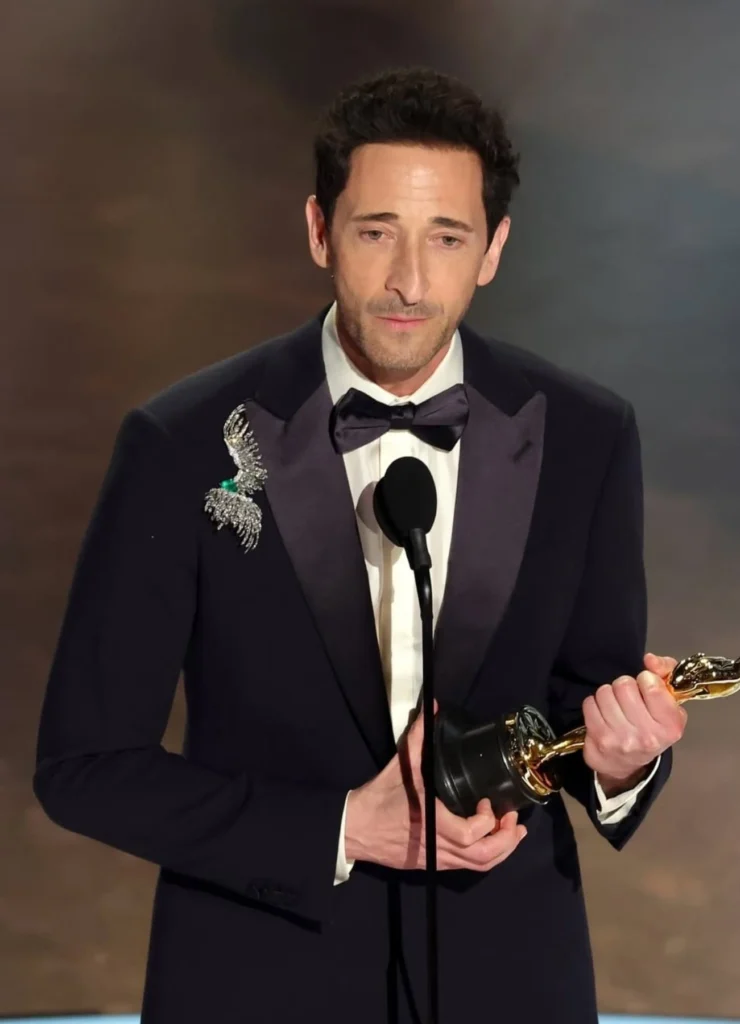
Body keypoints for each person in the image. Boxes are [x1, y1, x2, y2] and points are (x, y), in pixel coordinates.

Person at [32, 66, 687, 1023]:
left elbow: (578, 711)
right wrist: (341, 829)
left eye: (447, 237)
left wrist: (622, 762)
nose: (409, 281)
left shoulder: (586, 436)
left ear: (494, 249)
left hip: (508, 984)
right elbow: (85, 767)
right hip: (258, 985)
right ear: (318, 230)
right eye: (376, 232)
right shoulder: (182, 443)